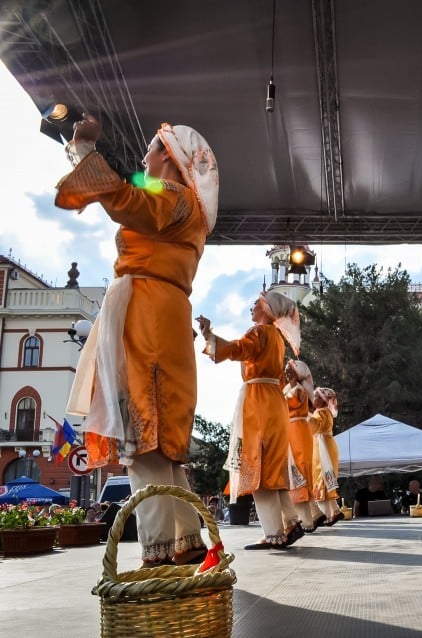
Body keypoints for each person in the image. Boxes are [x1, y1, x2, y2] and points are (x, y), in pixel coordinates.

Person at [56, 114, 217, 568]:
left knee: (143, 437)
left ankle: (158, 554)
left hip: (147, 314)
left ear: (168, 155)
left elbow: (127, 200)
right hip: (161, 313)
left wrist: (86, 153)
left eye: (150, 148)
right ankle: (185, 544)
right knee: (162, 446)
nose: (143, 156)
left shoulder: (172, 196)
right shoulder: (187, 207)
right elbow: (128, 198)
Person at [197, 291, 305, 549]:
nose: (251, 310)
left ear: (267, 311)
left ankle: (274, 534)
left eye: (255, 305)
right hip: (274, 401)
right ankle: (291, 521)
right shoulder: (278, 339)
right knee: (273, 469)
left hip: (259, 403)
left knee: (258, 469)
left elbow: (239, 349)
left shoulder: (259, 332)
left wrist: (210, 336)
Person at [283, 359, 322, 531]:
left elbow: (287, 403)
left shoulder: (300, 391)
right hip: (290, 431)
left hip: (298, 430)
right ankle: (314, 514)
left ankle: (307, 520)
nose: (286, 373)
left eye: (289, 370)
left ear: (296, 374)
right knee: (296, 472)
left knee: (299, 471)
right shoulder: (287, 389)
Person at [309, 387, 344, 526]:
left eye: (316, 397)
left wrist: (305, 415)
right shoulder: (324, 412)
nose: (313, 399)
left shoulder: (322, 412)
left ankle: (327, 514)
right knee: (325, 478)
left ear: (323, 400)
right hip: (324, 445)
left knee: (322, 478)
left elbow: (315, 427)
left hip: (323, 448)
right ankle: (334, 512)